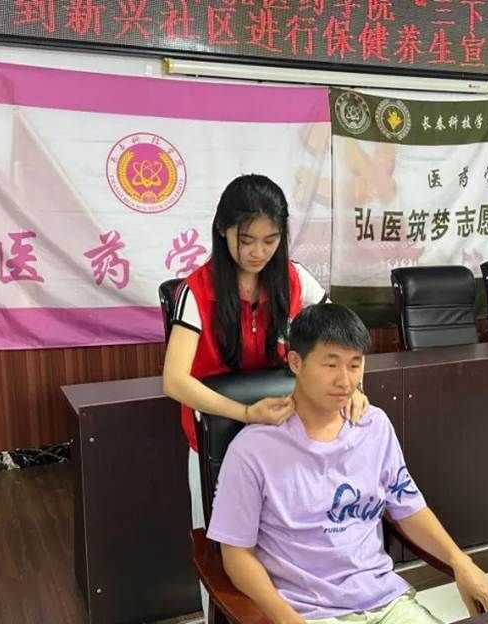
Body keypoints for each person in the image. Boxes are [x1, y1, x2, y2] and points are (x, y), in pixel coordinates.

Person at [207, 303, 488, 623]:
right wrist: (287, 619)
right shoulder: (252, 449)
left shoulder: (374, 426)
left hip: (385, 601)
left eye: (355, 365)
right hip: (308, 612)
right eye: (331, 365)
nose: (345, 381)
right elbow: (236, 554)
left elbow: (408, 508)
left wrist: (461, 562)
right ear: (295, 362)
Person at [162, 175, 370, 611]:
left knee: (288, 539)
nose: (258, 252)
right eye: (246, 240)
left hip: (284, 432)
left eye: (270, 240)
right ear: (223, 230)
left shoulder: (293, 279)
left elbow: (341, 336)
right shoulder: (196, 291)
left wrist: (354, 386)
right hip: (218, 434)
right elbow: (174, 381)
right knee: (224, 550)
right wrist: (244, 413)